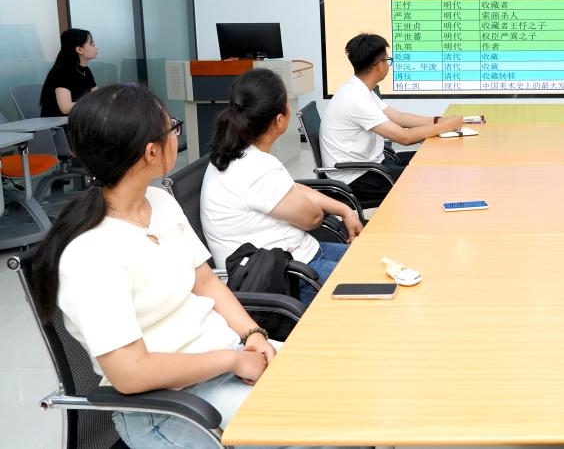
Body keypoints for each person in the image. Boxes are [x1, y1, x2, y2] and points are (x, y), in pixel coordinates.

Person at [30, 84, 334, 449]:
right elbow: (131, 373)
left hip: (224, 361)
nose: (177, 134)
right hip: (169, 407)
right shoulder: (89, 252)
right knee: (323, 427)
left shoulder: (158, 201)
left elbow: (206, 283)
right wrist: (232, 361)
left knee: (340, 388)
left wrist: (253, 335)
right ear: (151, 151)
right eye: (172, 127)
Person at [202, 68, 362, 306]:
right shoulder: (257, 168)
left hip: (299, 257)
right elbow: (313, 218)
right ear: (279, 120)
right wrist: (323, 209)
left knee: (370, 258)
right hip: (285, 277)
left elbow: (292, 190)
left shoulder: (239, 153)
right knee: (376, 280)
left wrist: (344, 209)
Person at [321, 33, 462, 204]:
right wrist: (446, 126)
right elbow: (404, 137)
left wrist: (438, 120)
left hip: (372, 165)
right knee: (431, 175)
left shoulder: (360, 89)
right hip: (357, 178)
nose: (389, 65)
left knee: (431, 158)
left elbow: (399, 117)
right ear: (379, 65)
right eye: (388, 60)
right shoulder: (355, 98)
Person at [39, 27, 98, 117]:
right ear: (79, 50)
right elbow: (65, 108)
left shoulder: (85, 70)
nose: (96, 48)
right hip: (58, 123)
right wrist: (91, 103)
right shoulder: (62, 72)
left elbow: (97, 97)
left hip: (77, 118)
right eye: (92, 44)